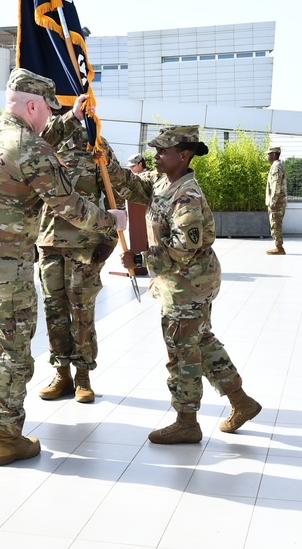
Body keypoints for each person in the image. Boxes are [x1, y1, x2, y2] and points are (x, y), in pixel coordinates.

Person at [0, 68, 125, 465]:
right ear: (32, 105)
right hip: (4, 267)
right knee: (10, 350)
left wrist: (69, 120)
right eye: (46, 109)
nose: (47, 117)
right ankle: (7, 437)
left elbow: (30, 143)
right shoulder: (33, 149)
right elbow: (71, 207)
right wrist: (111, 220)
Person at [111, 124, 261, 445]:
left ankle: (187, 421)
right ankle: (241, 401)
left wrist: (139, 262)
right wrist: (103, 157)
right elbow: (128, 184)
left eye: (162, 151)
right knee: (202, 342)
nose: (155, 156)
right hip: (177, 283)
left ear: (183, 155)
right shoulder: (163, 180)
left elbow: (182, 248)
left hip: (188, 285)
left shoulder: (187, 196)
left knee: (181, 352)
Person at [35, 109, 124, 404]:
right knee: (53, 310)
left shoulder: (95, 143)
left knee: (82, 311)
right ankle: (61, 373)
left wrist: (110, 240)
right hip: (48, 242)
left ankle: (83, 375)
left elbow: (115, 192)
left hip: (85, 245)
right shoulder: (43, 141)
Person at [264, 145, 287, 255]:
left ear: (273, 154)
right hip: (279, 200)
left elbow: (276, 185)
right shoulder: (278, 165)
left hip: (277, 202)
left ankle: (279, 247)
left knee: (276, 223)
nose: (267, 156)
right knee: (276, 222)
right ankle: (278, 246)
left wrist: (273, 201)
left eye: (268, 154)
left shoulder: (276, 166)